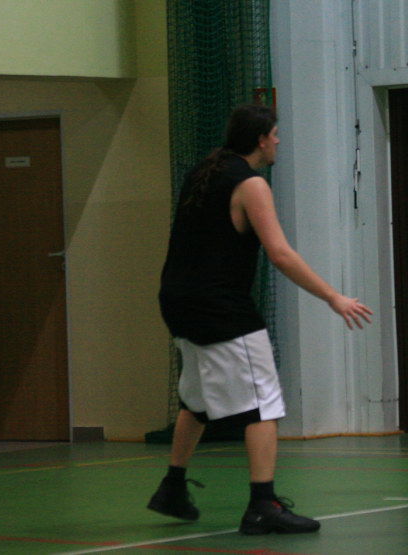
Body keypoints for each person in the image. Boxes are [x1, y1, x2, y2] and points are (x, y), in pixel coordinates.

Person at [147, 104, 373, 534]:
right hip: (220, 307)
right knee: (263, 404)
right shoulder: (250, 184)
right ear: (261, 140)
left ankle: (172, 488)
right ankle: (262, 505)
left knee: (197, 401)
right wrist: (333, 297)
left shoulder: (203, 172)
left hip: (177, 301)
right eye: (275, 134)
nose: (279, 141)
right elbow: (280, 254)